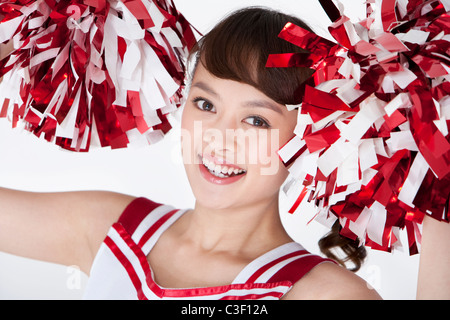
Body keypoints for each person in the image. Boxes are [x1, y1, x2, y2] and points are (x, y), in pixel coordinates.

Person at [0, 6, 446, 300]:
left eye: (256, 120)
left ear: (312, 138)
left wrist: (436, 159)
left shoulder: (322, 294)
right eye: (206, 104)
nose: (219, 136)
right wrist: (35, 22)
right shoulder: (109, 231)